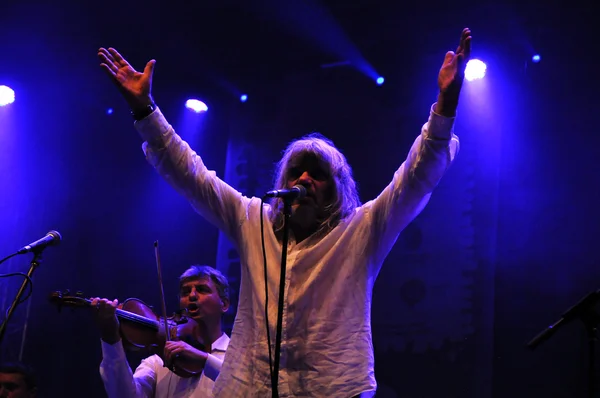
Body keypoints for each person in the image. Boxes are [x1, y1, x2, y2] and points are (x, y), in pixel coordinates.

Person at [97, 27, 471, 397]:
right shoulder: (253, 222)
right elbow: (193, 176)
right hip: (250, 388)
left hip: (334, 389)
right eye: (297, 171)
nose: (305, 178)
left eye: (318, 173)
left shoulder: (361, 228)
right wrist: (146, 110)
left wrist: (445, 108)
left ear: (337, 187)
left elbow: (415, 179)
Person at [92, 265, 230, 397]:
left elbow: (244, 386)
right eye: (185, 292)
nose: (192, 295)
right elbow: (123, 395)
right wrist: (110, 337)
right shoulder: (160, 361)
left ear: (224, 304)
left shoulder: (236, 355)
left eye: (202, 289)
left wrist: (204, 360)